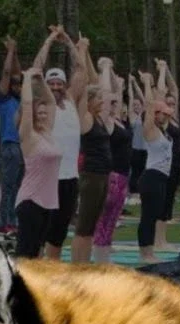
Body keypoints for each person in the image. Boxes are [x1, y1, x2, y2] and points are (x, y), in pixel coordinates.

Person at [31, 26, 85, 261]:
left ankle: (52, 269)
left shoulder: (71, 100)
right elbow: (35, 69)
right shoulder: (44, 103)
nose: (54, 87)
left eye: (58, 84)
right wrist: (50, 40)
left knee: (60, 231)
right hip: (49, 177)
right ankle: (38, 269)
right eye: (51, 83)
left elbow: (81, 68)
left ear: (64, 85)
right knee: (43, 228)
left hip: (70, 178)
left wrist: (68, 42)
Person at [70, 51, 114, 263]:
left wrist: (88, 54)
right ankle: (77, 265)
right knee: (83, 226)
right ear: (89, 101)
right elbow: (86, 87)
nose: (102, 101)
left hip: (103, 175)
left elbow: (101, 87)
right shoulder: (85, 118)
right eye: (97, 98)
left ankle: (84, 264)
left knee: (91, 226)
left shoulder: (99, 119)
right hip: (91, 176)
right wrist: (80, 53)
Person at [14, 67, 60, 259]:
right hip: (30, 201)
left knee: (37, 254)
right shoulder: (28, 136)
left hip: (47, 202)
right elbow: (26, 104)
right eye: (38, 113)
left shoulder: (47, 132)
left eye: (44, 113)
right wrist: (26, 79)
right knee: (26, 254)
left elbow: (51, 102)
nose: (43, 115)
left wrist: (41, 80)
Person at [94, 73, 132, 264]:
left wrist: (120, 87)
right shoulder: (105, 123)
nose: (115, 105)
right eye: (112, 102)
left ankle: (105, 258)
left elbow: (115, 98)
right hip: (112, 176)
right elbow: (106, 97)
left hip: (123, 176)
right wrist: (106, 70)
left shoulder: (117, 121)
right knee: (103, 220)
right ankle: (100, 260)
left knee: (112, 220)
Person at [136, 71, 172, 263]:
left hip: (161, 178)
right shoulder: (149, 129)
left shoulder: (163, 131)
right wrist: (147, 82)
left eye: (165, 114)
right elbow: (150, 105)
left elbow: (161, 98)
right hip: (151, 177)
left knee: (155, 213)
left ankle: (150, 251)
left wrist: (161, 73)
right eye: (161, 113)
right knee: (148, 216)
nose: (164, 116)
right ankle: (145, 253)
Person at [0, 36, 24, 232]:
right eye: (14, 84)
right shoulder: (4, 100)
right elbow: (8, 73)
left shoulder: (21, 99)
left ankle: (12, 221)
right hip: (10, 146)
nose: (17, 85)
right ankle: (3, 221)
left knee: (18, 186)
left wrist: (15, 53)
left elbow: (18, 73)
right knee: (7, 187)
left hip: (22, 146)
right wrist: (10, 52)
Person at [156, 59, 180, 245]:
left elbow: (175, 91)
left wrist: (167, 71)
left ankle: (162, 239)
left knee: (169, 204)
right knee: (161, 203)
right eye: (168, 104)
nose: (171, 107)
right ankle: (158, 240)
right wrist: (162, 72)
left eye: (173, 104)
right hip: (164, 166)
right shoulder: (163, 121)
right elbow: (160, 95)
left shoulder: (175, 120)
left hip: (176, 166)